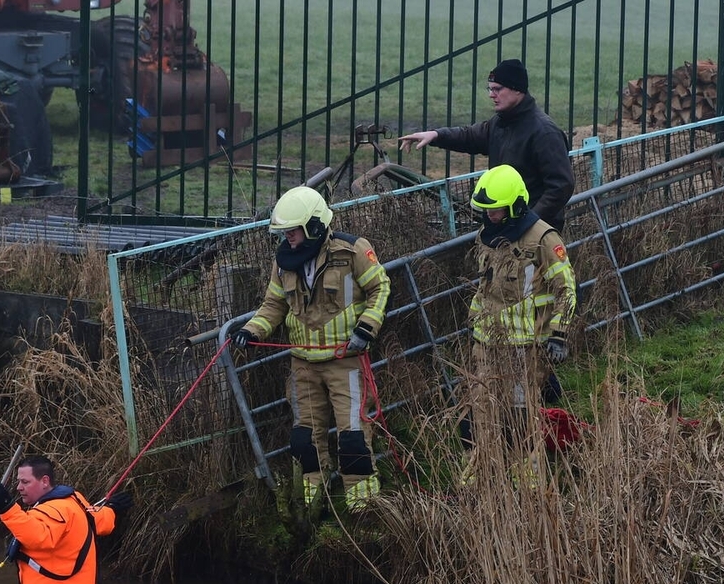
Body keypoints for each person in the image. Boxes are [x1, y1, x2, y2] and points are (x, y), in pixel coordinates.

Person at [232, 185, 390, 512]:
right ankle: (313, 501)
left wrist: (366, 328)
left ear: (313, 226)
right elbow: (273, 305)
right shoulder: (284, 262)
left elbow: (380, 287)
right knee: (304, 440)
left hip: (344, 362)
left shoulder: (352, 251)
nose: (287, 238)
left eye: (292, 231)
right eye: (284, 232)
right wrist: (249, 330)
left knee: (353, 438)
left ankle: (363, 508)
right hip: (302, 364)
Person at [461, 163, 577, 452]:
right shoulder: (487, 234)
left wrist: (559, 335)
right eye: (486, 210)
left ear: (515, 206)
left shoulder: (543, 238)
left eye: (496, 209)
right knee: (479, 412)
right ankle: (481, 469)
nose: (490, 215)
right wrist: (474, 322)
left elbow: (566, 288)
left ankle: (529, 474)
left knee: (520, 415)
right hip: (486, 342)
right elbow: (485, 286)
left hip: (525, 348)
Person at [398, 59, 575, 232]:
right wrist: (435, 135)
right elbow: (469, 136)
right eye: (490, 89)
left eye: (497, 89)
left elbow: (561, 186)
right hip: (503, 225)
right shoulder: (499, 123)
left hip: (535, 233)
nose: (491, 95)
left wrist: (530, 222)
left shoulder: (544, 132)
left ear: (517, 89)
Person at [0, 455, 129, 584]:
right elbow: (95, 520)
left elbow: (39, 536)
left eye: (25, 482)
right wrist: (111, 509)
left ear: (45, 481)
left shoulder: (54, 510)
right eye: (19, 482)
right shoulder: (73, 499)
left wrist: (6, 507)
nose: (19, 487)